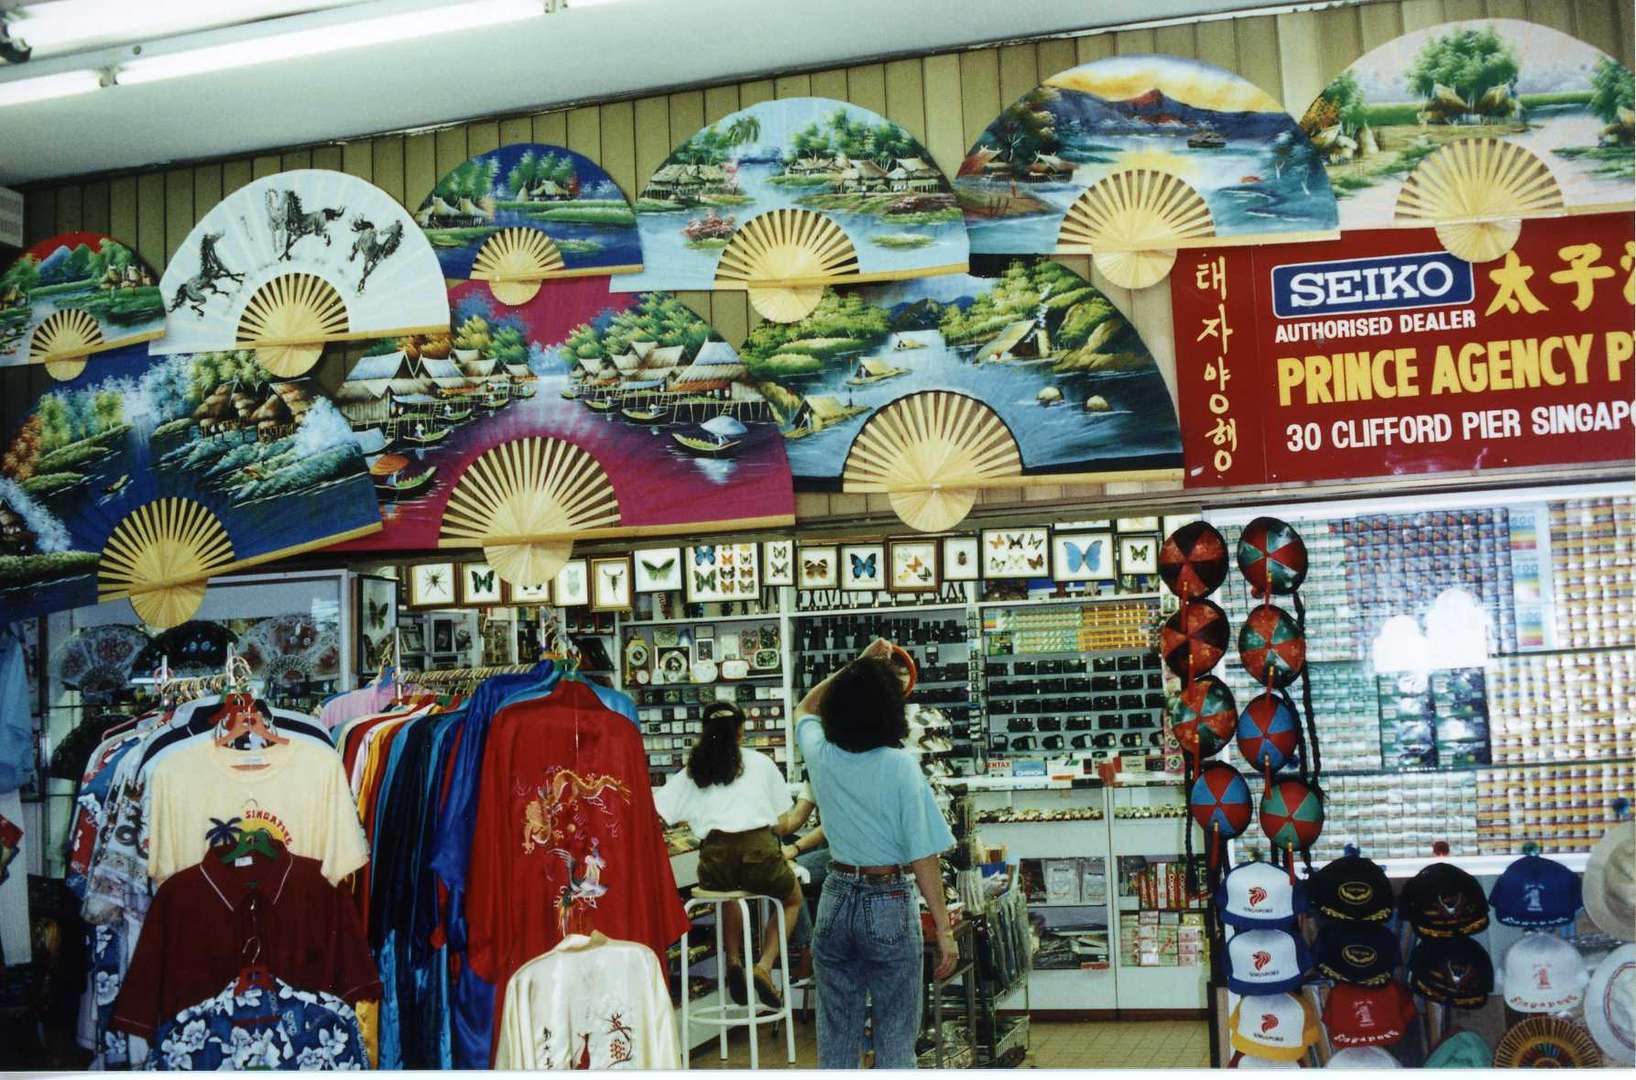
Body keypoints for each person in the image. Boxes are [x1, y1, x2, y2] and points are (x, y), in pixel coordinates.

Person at [796, 638, 956, 1069]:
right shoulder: (901, 765)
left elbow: (805, 709)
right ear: (891, 708)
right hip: (887, 897)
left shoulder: (822, 756)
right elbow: (924, 855)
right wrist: (943, 928)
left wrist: (856, 666)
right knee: (896, 1034)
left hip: (835, 895)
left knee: (837, 1032)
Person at [655, 701, 801, 1009]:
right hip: (759, 853)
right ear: (740, 731)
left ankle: (733, 960)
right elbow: (781, 823)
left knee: (725, 894)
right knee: (792, 899)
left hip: (715, 859)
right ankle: (763, 966)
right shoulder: (760, 763)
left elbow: (660, 811)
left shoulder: (694, 770)